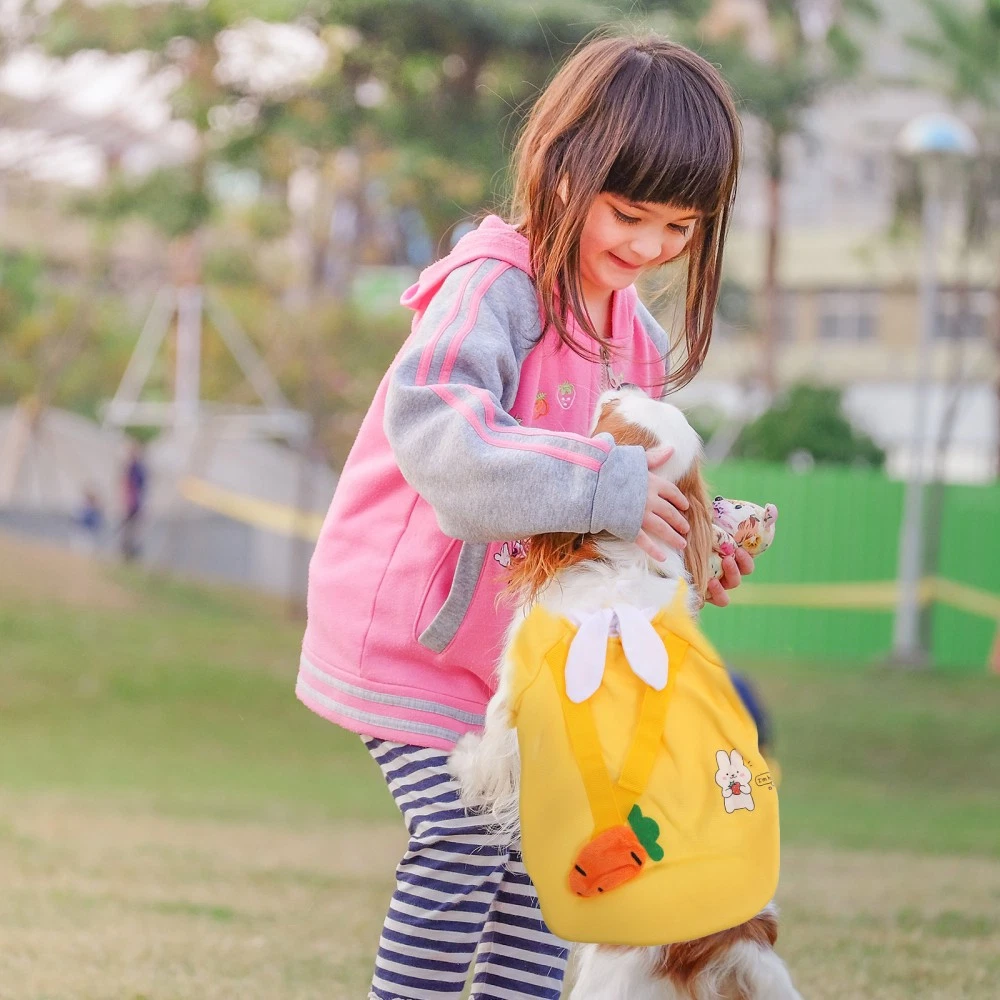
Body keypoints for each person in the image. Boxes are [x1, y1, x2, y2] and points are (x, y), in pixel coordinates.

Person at [297, 33, 752, 1000]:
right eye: (629, 214)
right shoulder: (491, 290)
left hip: (532, 658)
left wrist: (699, 537)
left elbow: (632, 485)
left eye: (680, 228)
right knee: (461, 832)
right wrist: (618, 488)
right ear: (559, 166)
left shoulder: (633, 329)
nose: (649, 248)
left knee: (557, 867)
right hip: (415, 639)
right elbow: (448, 447)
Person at [120, 440, 147, 562]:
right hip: (132, 503)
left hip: (135, 504)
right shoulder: (132, 467)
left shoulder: (138, 468)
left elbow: (140, 486)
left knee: (133, 530)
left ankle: (130, 553)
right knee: (129, 530)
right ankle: (127, 552)